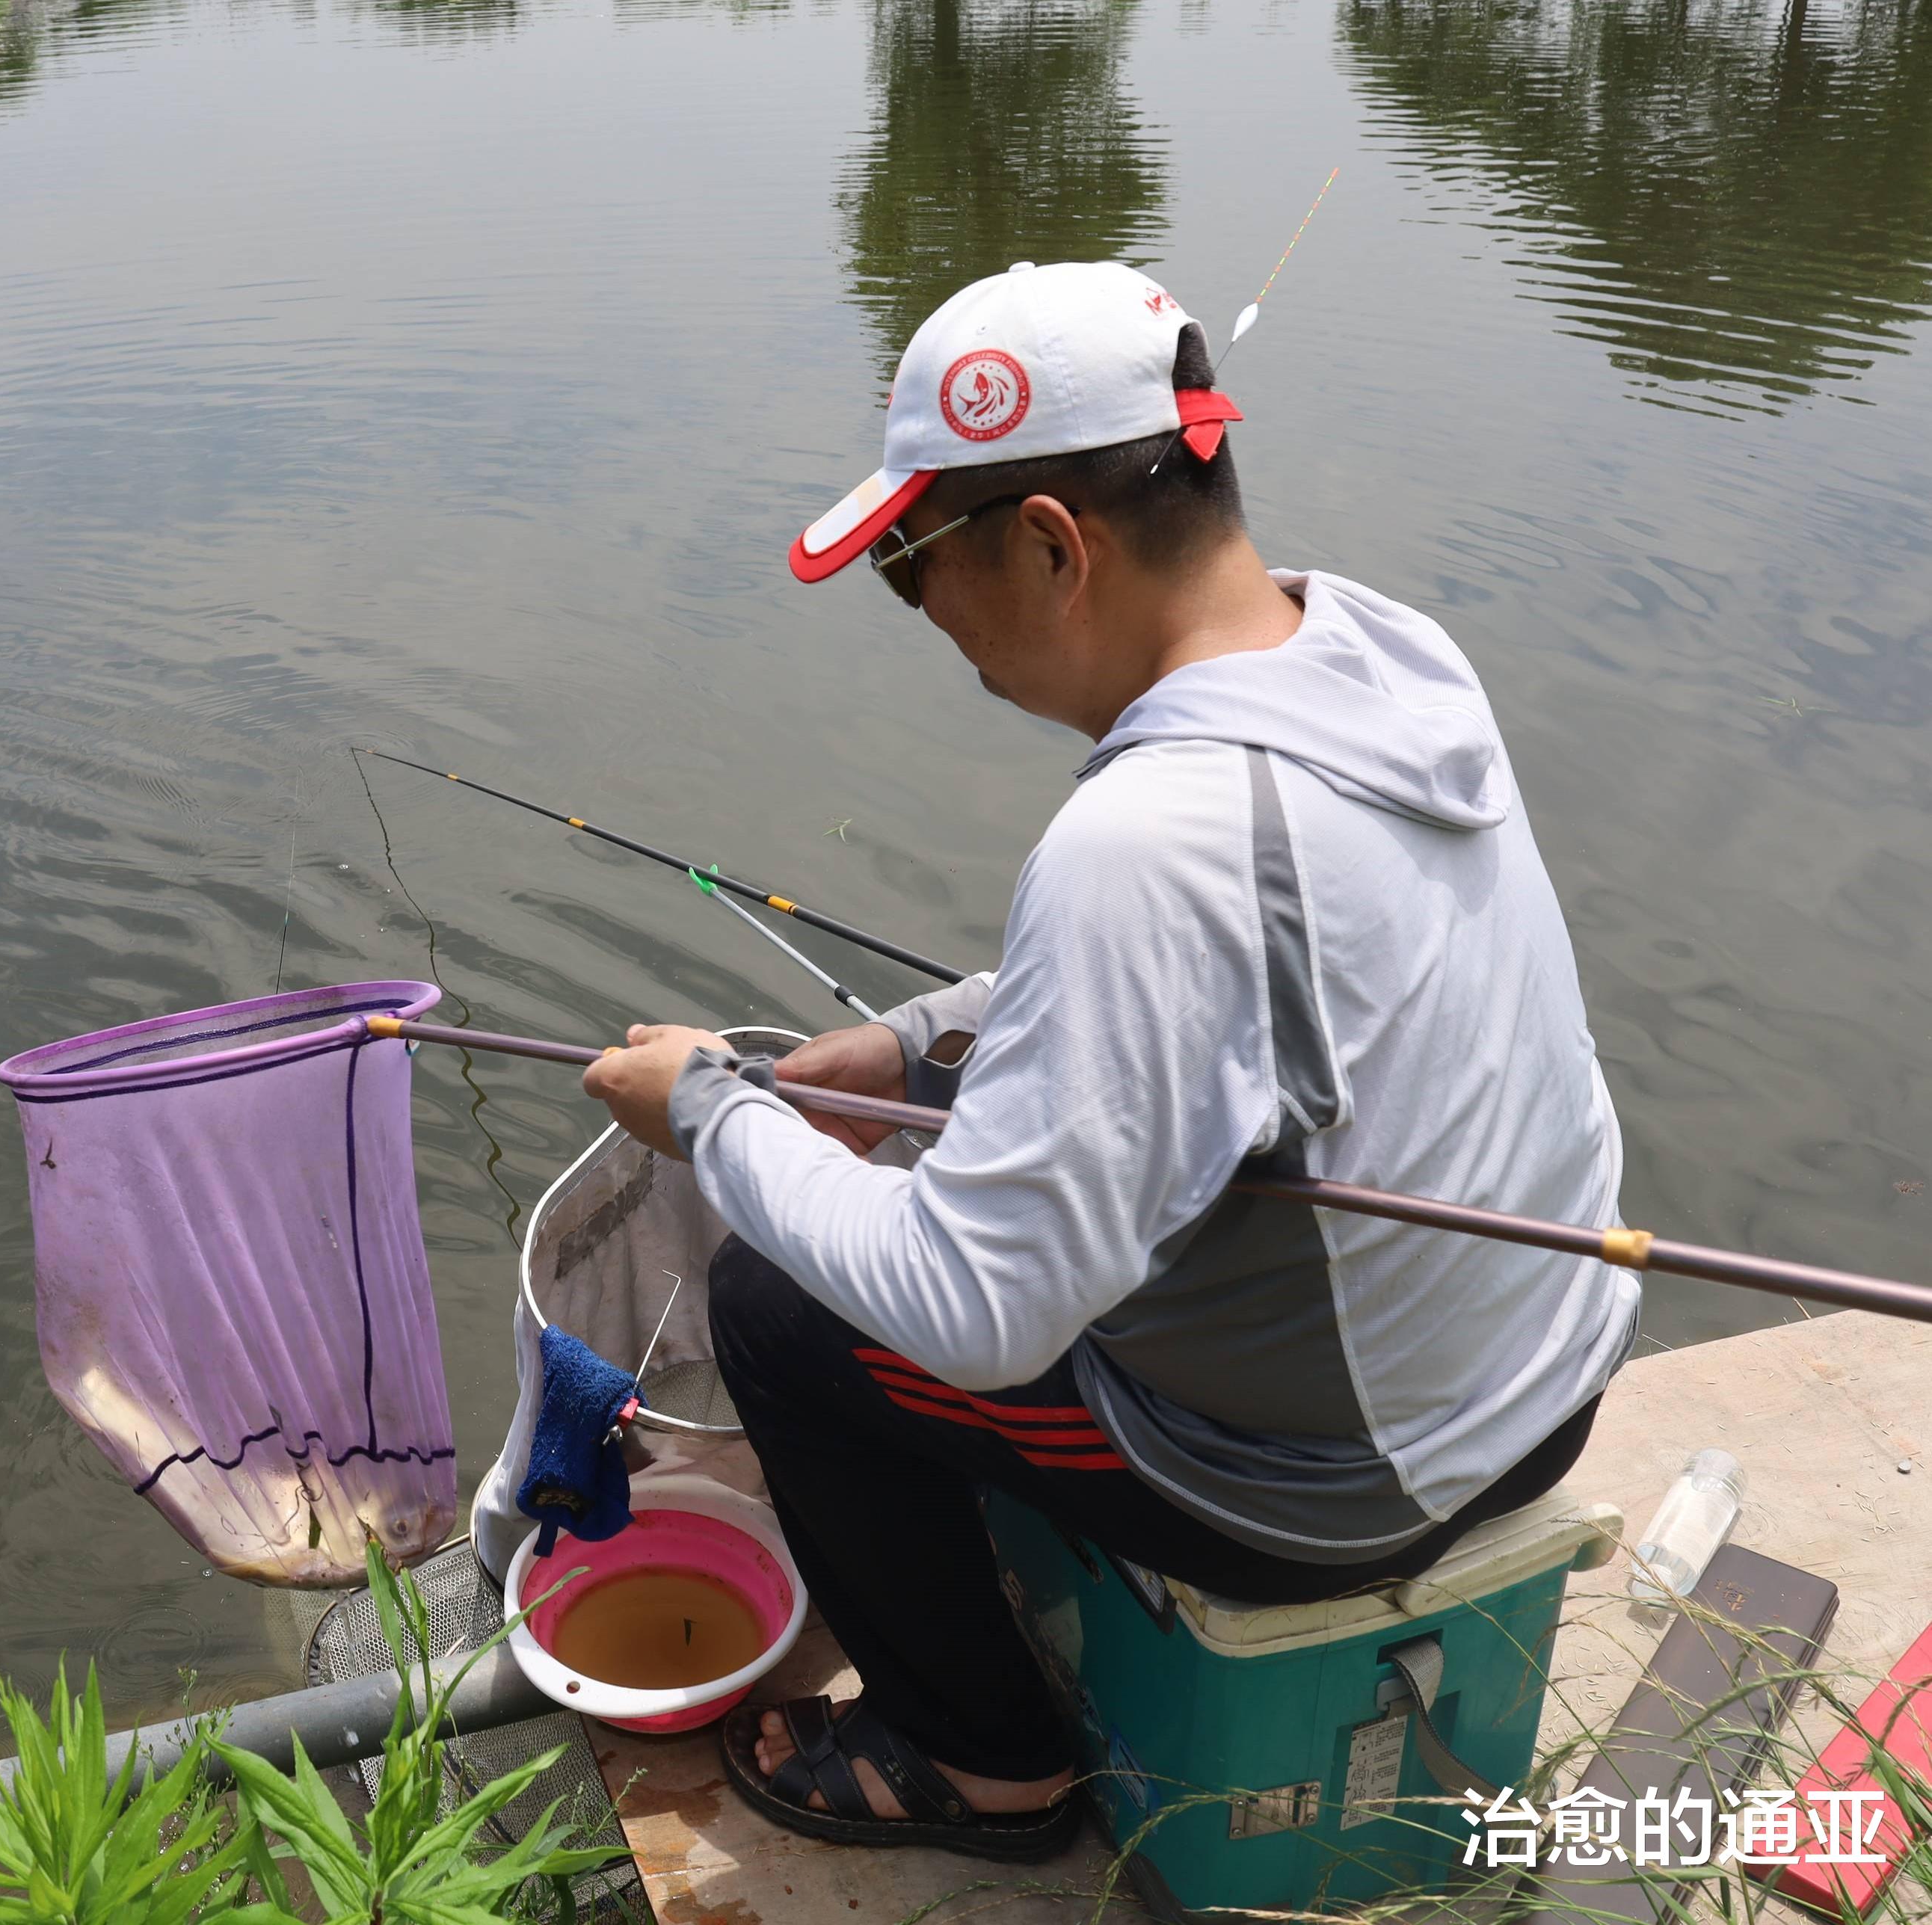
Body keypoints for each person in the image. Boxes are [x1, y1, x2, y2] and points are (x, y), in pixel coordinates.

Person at [579, 261, 1637, 1861]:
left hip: (1348, 1484)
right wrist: (916, 1043)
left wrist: (715, 1113)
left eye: (911, 567)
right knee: (904, 1170)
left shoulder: (1142, 842)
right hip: (1546, 1379)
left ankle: (978, 1756)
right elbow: (1226, 982)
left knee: (777, 1311)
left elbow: (981, 1315)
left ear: (1048, 546)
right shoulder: (1373, 654)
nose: (929, 623)